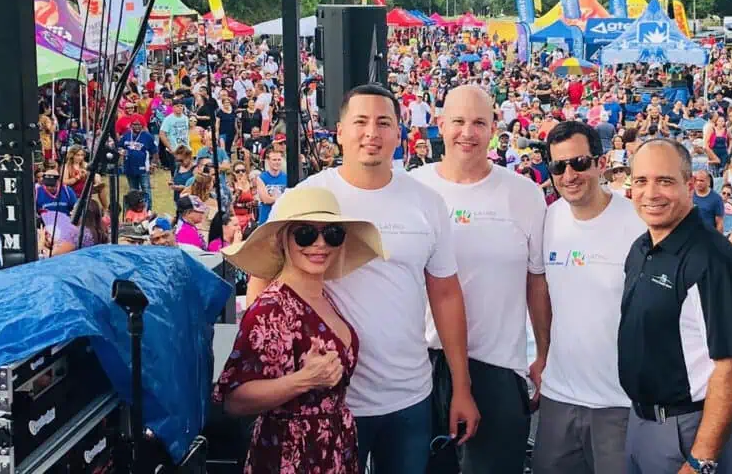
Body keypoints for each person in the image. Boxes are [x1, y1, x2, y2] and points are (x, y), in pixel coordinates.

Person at [249, 84, 479, 473]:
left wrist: (462, 386)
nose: (371, 133)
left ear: (399, 133)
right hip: (325, 400)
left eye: (383, 122)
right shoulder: (305, 198)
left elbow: (445, 295)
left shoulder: (426, 203)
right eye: (360, 122)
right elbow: (262, 283)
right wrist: (274, 380)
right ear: (339, 131)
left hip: (408, 395)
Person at [410, 85, 546, 474]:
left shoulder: (524, 194)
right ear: (440, 125)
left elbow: (537, 281)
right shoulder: (412, 188)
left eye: (478, 123)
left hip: (498, 363)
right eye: (458, 122)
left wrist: (544, 351)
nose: (467, 132)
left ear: (493, 129)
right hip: (421, 361)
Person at [214, 187, 387, 474]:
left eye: (332, 234)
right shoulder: (271, 308)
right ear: (284, 241)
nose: (319, 244)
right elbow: (234, 400)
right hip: (289, 456)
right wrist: (304, 380)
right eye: (305, 234)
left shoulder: (324, 297)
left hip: (334, 449)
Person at [619, 139, 732, 474]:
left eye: (664, 181)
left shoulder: (714, 260)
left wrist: (701, 460)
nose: (651, 193)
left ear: (690, 186)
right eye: (641, 181)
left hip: (686, 431)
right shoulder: (640, 247)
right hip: (640, 422)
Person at [533, 121, 646, 474]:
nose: (569, 175)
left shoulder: (638, 223)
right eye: (558, 166)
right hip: (559, 396)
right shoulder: (549, 218)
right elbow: (542, 292)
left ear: (601, 162)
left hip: (620, 402)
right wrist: (541, 353)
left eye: (579, 163)